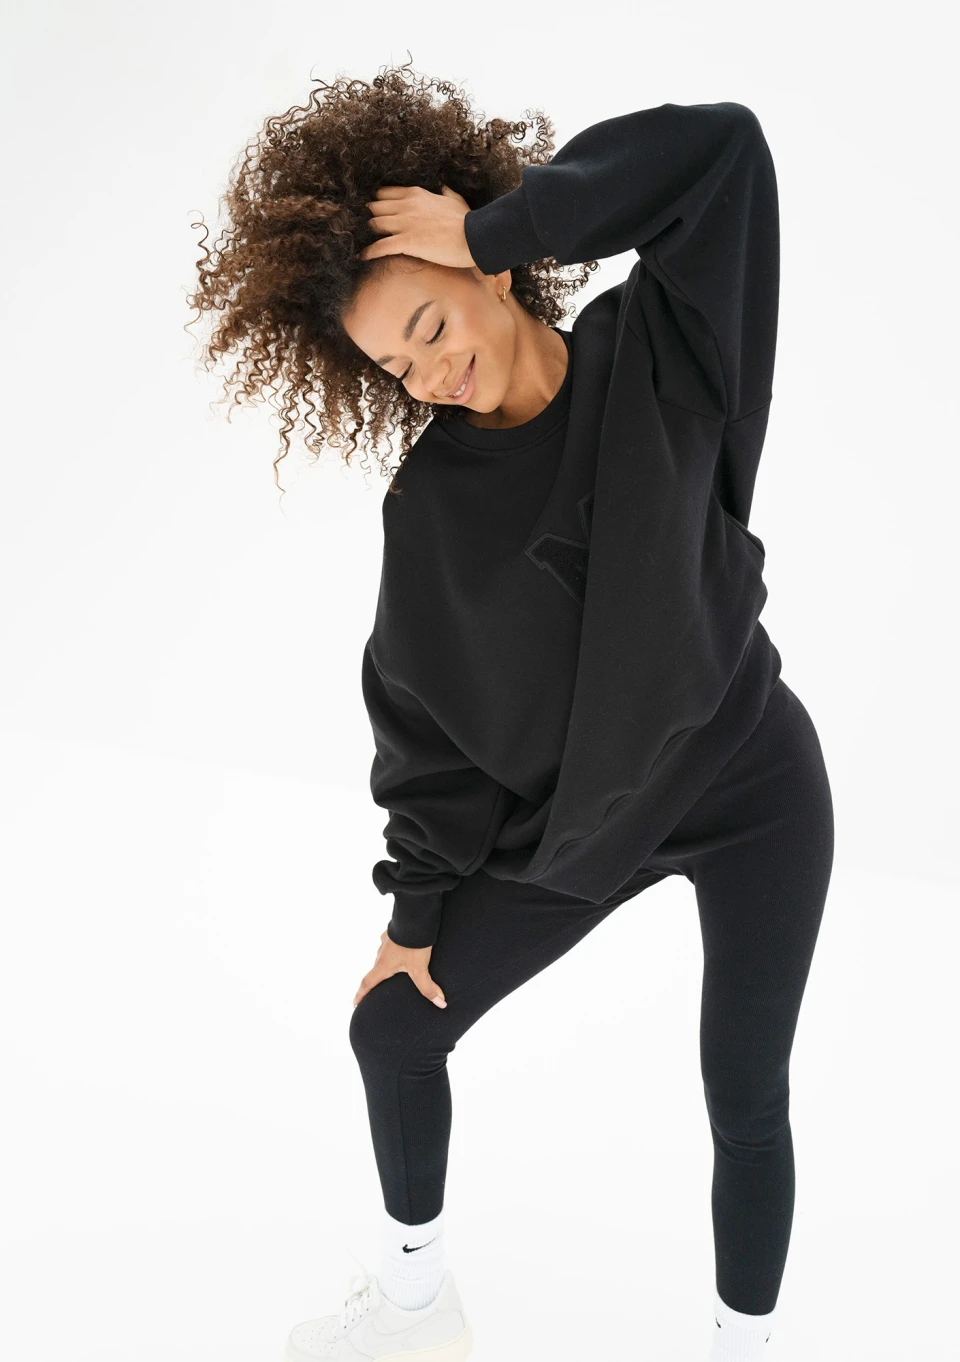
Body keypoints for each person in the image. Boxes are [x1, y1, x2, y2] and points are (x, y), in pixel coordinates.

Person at [188, 62, 834, 1362]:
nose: (428, 372)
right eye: (394, 365)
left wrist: (502, 221)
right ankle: (418, 1305)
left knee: (744, 1089)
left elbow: (724, 153)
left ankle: (744, 1343)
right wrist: (415, 916)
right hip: (587, 826)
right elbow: (426, 728)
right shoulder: (432, 509)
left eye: (431, 322)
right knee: (391, 1030)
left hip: (754, 781)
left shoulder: (664, 346)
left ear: (486, 270)